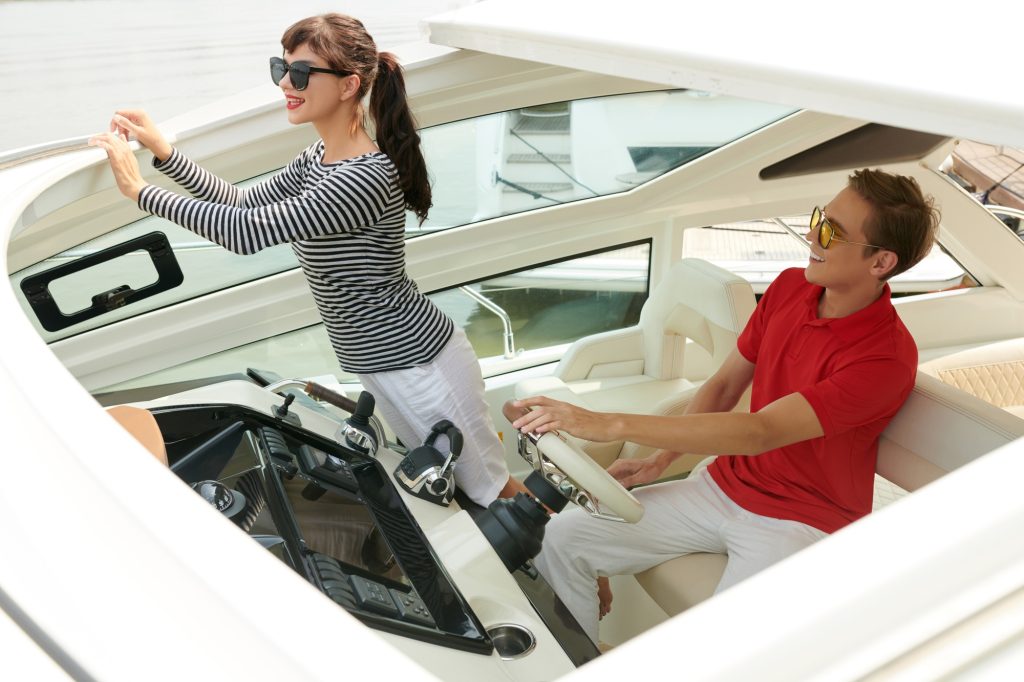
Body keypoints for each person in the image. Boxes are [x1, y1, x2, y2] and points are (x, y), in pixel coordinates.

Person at [89, 12, 525, 506]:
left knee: (492, 491)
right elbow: (242, 204)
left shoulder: (363, 176)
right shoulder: (319, 158)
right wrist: (165, 154)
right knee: (455, 487)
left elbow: (243, 234)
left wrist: (139, 191)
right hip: (384, 363)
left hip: (419, 364)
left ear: (348, 85)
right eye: (281, 68)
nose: (284, 84)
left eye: (299, 73)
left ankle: (570, 552)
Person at [511, 169, 940, 643]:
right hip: (723, 486)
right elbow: (723, 387)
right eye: (819, 218)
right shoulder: (791, 287)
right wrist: (660, 461)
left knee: (722, 642)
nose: (811, 235)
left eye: (831, 232)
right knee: (563, 538)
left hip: (802, 521)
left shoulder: (885, 358)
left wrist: (607, 423)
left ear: (880, 262)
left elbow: (760, 432)